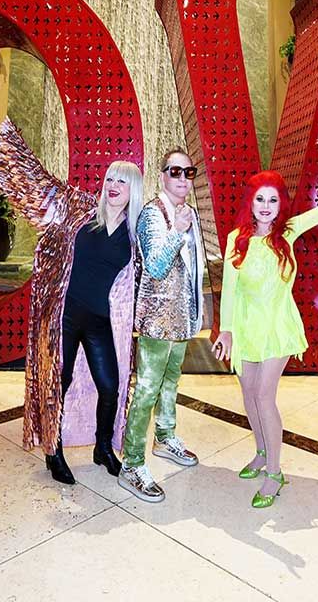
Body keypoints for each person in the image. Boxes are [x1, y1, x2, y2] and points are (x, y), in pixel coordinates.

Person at [0, 119, 143, 485]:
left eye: (122, 181)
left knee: (111, 387)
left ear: (133, 189)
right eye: (110, 179)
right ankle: (53, 452)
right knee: (59, 382)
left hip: (99, 322)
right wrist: (8, 153)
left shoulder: (133, 234)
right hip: (64, 318)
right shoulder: (80, 210)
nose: (113, 186)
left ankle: (103, 448)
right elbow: (41, 188)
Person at [214, 137, 318, 508]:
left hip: (276, 323)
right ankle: (261, 452)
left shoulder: (287, 232)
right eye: (260, 199)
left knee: (263, 395)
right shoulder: (236, 239)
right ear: (251, 201)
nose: (266, 206)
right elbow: (230, 290)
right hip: (245, 326)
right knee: (248, 394)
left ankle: (274, 472)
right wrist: (227, 330)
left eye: (273, 200)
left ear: (280, 204)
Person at [118, 147, 204, 503]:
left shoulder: (189, 212)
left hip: (181, 317)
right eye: (175, 171)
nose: (183, 179)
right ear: (162, 176)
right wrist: (178, 231)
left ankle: (165, 437)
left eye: (188, 172)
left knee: (171, 382)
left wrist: (196, 312)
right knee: (147, 390)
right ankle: (131, 463)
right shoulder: (153, 214)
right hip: (156, 319)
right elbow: (154, 266)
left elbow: (194, 269)